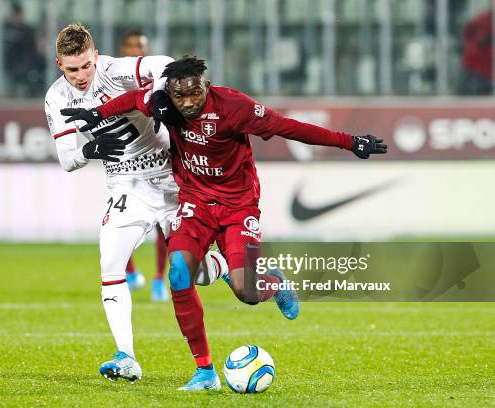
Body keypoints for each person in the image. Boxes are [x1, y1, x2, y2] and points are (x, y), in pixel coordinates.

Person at [60, 56, 388, 391]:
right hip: (194, 204)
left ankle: (273, 282)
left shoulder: (235, 107)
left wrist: (350, 142)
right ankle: (205, 372)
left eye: (194, 94)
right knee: (180, 273)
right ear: (170, 92)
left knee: (246, 292)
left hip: (238, 207)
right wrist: (97, 114)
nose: (187, 102)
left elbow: (289, 127)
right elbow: (134, 98)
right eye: (179, 96)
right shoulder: (165, 103)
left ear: (205, 85)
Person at [45, 27, 225, 383]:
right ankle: (126, 357)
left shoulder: (116, 71)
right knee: (110, 262)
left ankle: (234, 263)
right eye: (71, 70)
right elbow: (66, 159)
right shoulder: (56, 97)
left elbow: (168, 65)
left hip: (171, 179)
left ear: (95, 56)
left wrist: (159, 93)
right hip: (125, 187)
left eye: (85, 66)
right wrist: (87, 151)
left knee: (196, 274)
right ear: (59, 65)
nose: (80, 77)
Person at [118, 28, 169, 302]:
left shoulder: (157, 80)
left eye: (140, 45)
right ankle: (130, 272)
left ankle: (159, 279)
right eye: (130, 44)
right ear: (122, 49)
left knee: (164, 223)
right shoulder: (113, 80)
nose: (135, 49)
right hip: (126, 160)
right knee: (119, 216)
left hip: (159, 158)